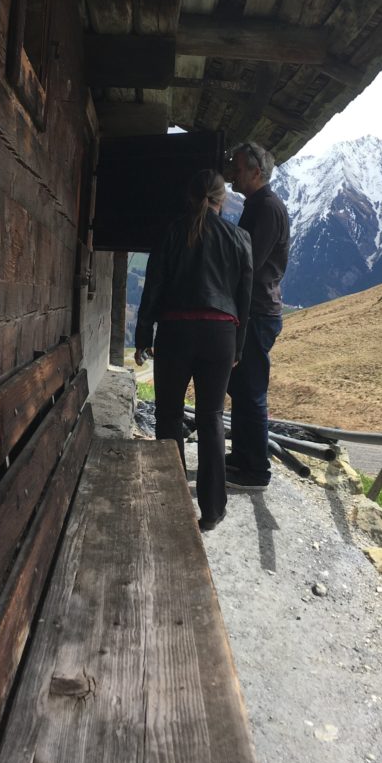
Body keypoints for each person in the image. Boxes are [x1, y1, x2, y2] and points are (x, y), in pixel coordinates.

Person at [134, 169, 253, 531]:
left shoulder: (172, 232)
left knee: (168, 415)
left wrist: (144, 334)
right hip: (221, 335)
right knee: (211, 417)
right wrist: (238, 346)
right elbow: (244, 298)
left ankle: (171, 501)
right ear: (222, 198)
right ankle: (212, 510)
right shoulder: (240, 238)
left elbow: (154, 285)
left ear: (190, 196)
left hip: (176, 332)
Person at [225, 142, 289, 490]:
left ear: (255, 171)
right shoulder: (258, 205)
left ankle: (256, 471)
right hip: (254, 311)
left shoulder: (266, 208)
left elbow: (249, 262)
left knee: (250, 391)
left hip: (257, 313)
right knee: (242, 388)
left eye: (237, 168)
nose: (232, 174)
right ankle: (241, 457)